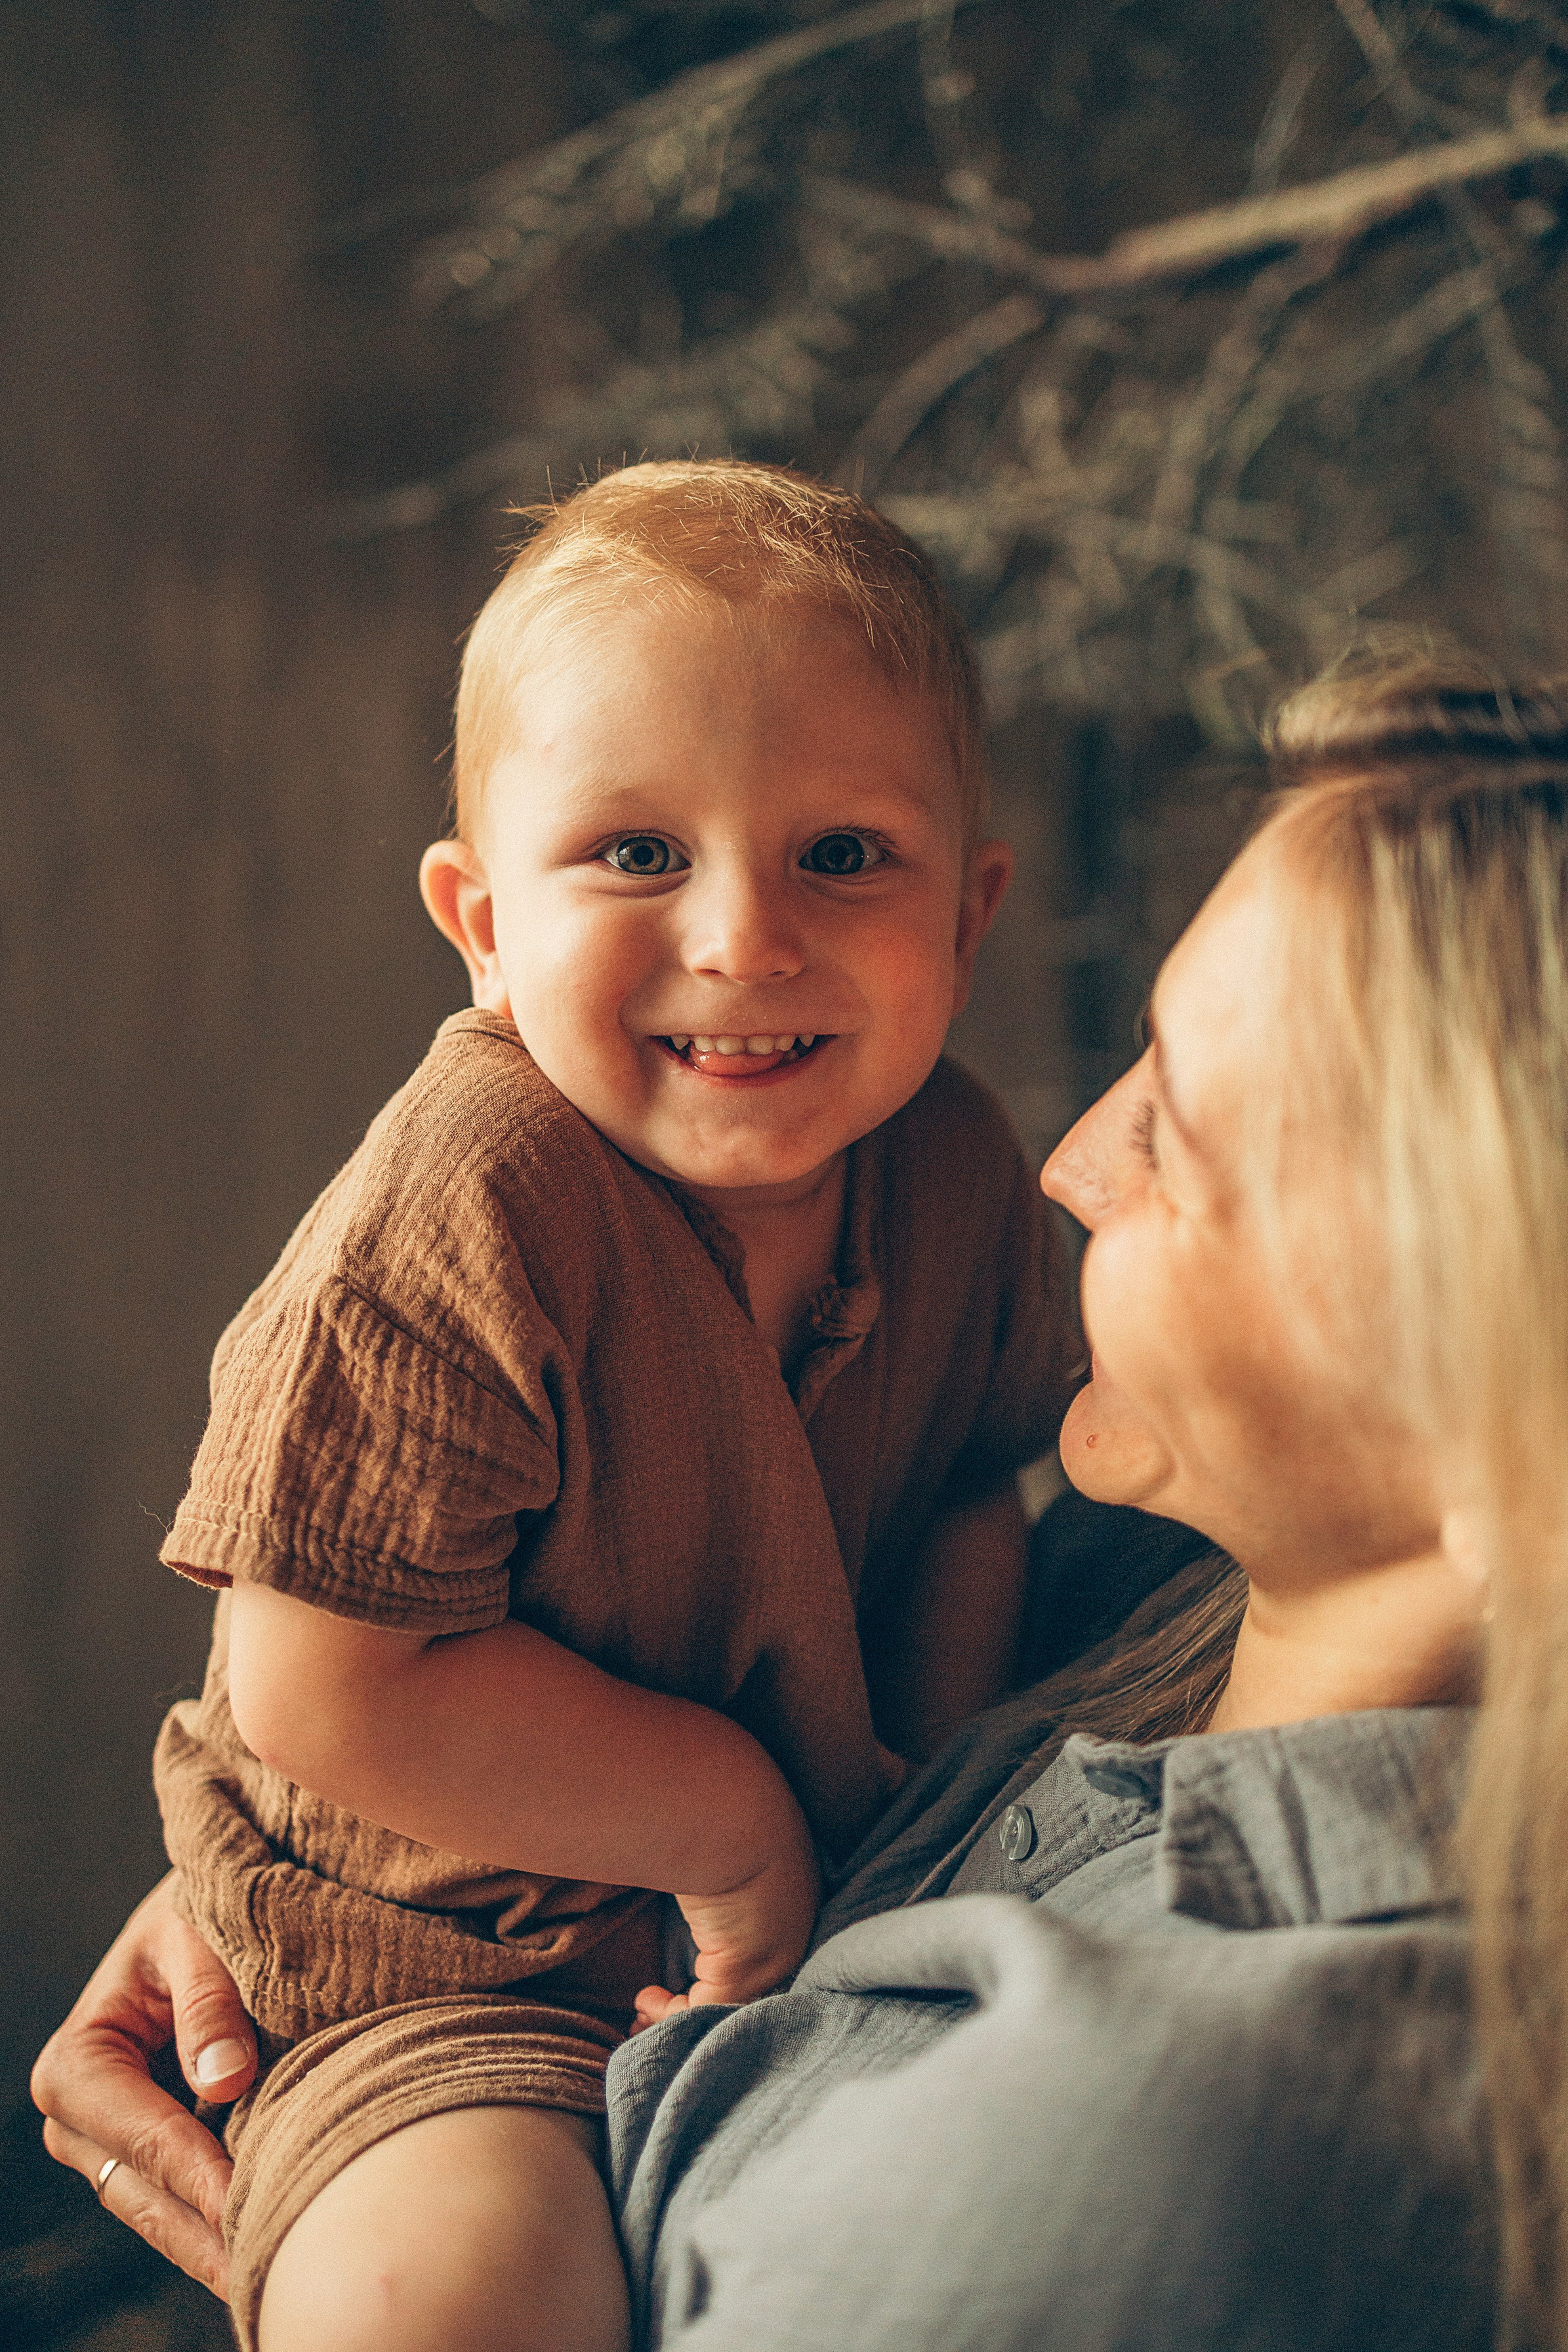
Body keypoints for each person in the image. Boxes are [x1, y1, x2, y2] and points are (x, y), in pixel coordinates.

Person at [34, 653, 1568, 2352]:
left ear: (1529, 1459)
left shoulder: (1127, 2161)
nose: (1069, 1164)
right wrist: (336, 1891)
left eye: (1177, 1142)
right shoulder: (1143, 1574)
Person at [119, 458, 1080, 2352]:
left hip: (827, 1890)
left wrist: (927, 1801)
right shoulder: (469, 1201)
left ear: (969, 919)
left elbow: (970, 1490)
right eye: (638, 855)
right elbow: (321, 1683)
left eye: (843, 855)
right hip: (436, 1962)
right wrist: (728, 1824)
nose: (742, 937)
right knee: (449, 2292)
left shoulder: (957, 1166)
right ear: (478, 919)